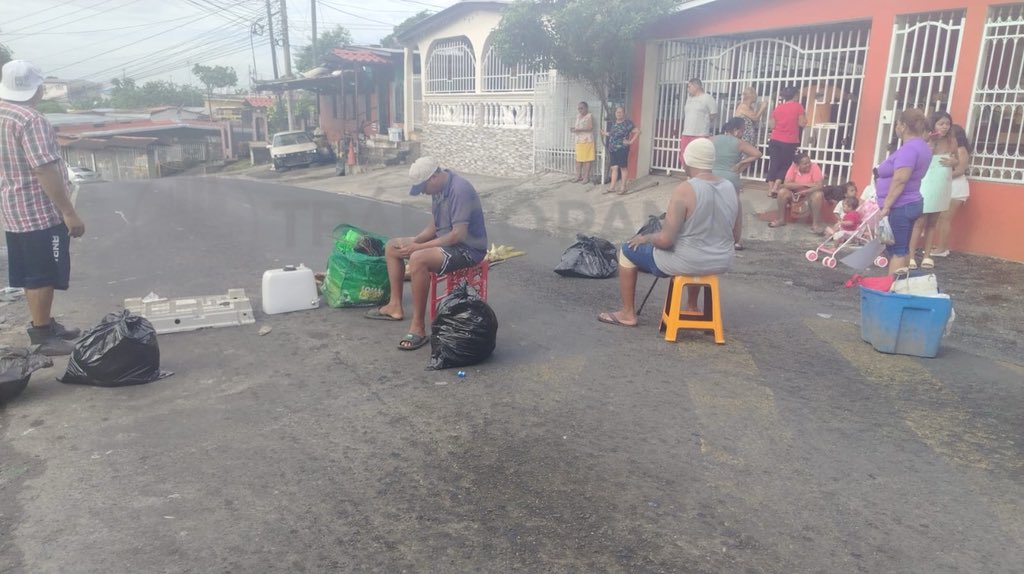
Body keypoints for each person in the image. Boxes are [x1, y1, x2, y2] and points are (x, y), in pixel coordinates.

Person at [597, 138, 739, 327]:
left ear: (687, 161)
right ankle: (691, 306)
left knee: (628, 250)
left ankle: (627, 313)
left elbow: (665, 241)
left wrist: (645, 238)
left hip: (689, 261)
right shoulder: (731, 188)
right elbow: (736, 237)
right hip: (722, 261)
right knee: (691, 247)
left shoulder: (685, 190)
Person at [0, 60, 86, 356]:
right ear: (36, 88)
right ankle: (42, 335)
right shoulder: (29, 120)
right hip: (37, 210)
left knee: (29, 273)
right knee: (42, 273)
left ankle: (45, 324)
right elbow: (44, 169)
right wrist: (68, 211)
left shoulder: (3, 113)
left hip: (12, 209)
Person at [364, 157, 488, 351]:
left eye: (423, 187)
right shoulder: (438, 190)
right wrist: (416, 241)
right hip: (446, 243)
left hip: (467, 249)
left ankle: (418, 327)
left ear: (434, 177)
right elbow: (435, 225)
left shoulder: (459, 189)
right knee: (392, 246)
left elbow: (458, 235)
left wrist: (418, 249)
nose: (423, 191)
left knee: (418, 259)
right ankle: (395, 305)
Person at [875, 109, 932, 274]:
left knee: (897, 251)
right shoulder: (922, 147)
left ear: (904, 126)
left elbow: (900, 179)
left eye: (897, 124)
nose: (896, 127)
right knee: (904, 249)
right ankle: (903, 286)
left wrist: (886, 205)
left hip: (900, 205)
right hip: (911, 202)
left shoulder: (909, 150)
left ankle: (893, 290)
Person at [908, 111, 957, 269]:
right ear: (934, 125)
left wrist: (953, 161)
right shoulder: (926, 139)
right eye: (941, 123)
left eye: (947, 124)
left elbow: (957, 158)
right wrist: (930, 141)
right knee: (920, 220)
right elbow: (919, 157)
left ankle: (927, 255)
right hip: (927, 181)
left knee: (933, 221)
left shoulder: (952, 141)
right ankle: (910, 255)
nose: (944, 127)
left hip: (942, 182)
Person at [711, 117, 762, 250]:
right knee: (735, 210)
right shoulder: (739, 143)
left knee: (711, 207)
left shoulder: (712, 139)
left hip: (712, 176)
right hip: (730, 177)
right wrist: (741, 163)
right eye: (742, 131)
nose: (742, 134)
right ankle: (735, 240)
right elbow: (757, 154)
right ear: (736, 130)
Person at [930, 124, 972, 257]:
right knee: (940, 218)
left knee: (945, 218)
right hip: (947, 186)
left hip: (957, 188)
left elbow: (960, 170)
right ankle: (940, 246)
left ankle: (942, 249)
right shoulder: (948, 149)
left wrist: (941, 177)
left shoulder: (961, 150)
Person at [768, 152, 826, 234]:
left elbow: (819, 185)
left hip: (809, 194)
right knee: (782, 192)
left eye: (809, 162)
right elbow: (786, 184)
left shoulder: (815, 167)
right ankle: (781, 220)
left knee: (818, 195)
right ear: (797, 165)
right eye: (805, 164)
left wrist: (806, 190)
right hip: (795, 194)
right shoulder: (793, 167)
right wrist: (804, 184)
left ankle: (815, 224)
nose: (808, 165)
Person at [766, 86, 806, 196]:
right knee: (785, 165)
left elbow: (772, 125)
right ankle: (776, 186)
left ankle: (770, 189)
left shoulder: (778, 108)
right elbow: (802, 123)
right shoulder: (798, 107)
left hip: (775, 140)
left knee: (774, 164)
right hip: (789, 141)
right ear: (795, 95)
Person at [678, 78, 718, 169]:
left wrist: (704, 122)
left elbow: (713, 114)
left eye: (689, 86)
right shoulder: (689, 98)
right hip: (686, 133)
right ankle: (689, 175)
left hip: (700, 134)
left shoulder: (707, 98)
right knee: (684, 157)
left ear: (696, 86)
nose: (688, 89)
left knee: (699, 157)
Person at [601, 106, 639, 195]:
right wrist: (604, 133)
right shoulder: (614, 124)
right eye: (617, 112)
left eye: (620, 112)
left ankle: (623, 187)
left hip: (622, 149)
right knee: (614, 168)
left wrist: (630, 142)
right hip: (613, 149)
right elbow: (613, 134)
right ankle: (612, 187)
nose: (618, 114)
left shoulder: (627, 123)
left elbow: (638, 131)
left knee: (623, 167)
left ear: (624, 113)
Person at [571, 101, 595, 184]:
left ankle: (586, 177)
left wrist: (579, 130)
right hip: (578, 140)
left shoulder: (589, 116)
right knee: (578, 159)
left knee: (587, 159)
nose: (580, 110)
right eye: (579, 108)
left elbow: (590, 128)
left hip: (587, 140)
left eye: (581, 108)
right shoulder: (578, 116)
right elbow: (578, 126)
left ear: (586, 108)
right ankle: (578, 176)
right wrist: (574, 129)